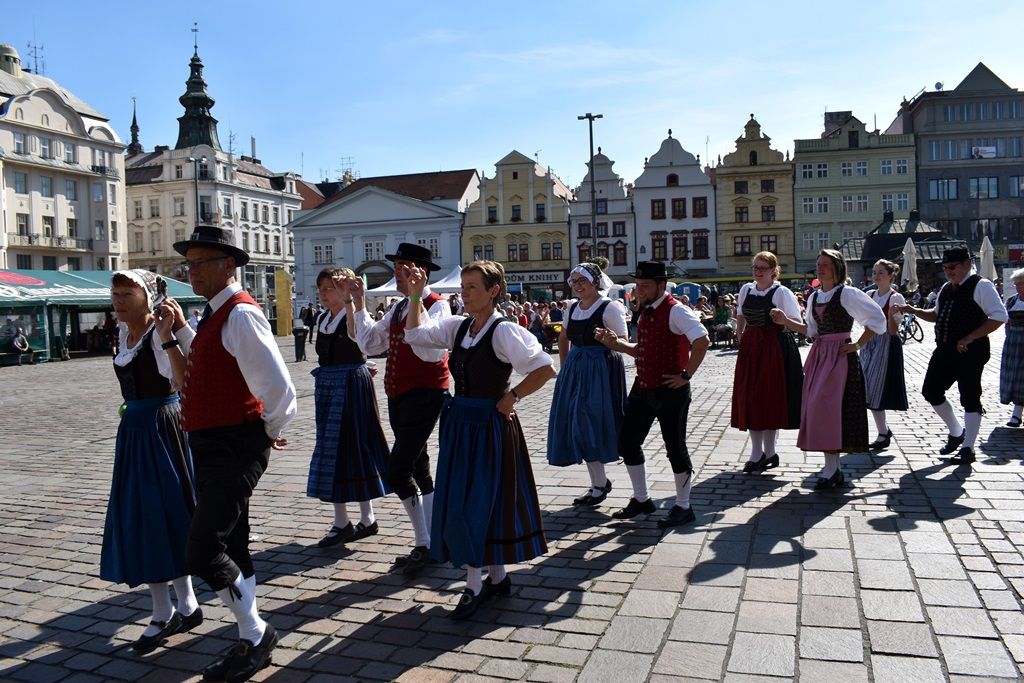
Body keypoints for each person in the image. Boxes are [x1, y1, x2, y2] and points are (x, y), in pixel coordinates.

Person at [172, 225, 297, 681]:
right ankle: (249, 638)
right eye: (190, 263)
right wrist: (178, 331)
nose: (193, 271)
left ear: (229, 266)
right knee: (234, 541)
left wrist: (268, 432)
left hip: (235, 443)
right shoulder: (213, 314)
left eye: (201, 262)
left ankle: (256, 630)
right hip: (213, 441)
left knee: (203, 549)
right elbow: (209, 360)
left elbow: (279, 387)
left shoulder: (240, 314)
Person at [404, 260, 555, 619]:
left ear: (493, 292)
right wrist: (413, 297)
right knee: (465, 500)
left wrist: (513, 396)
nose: (465, 293)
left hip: (489, 426)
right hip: (462, 426)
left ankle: (474, 585)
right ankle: (497, 577)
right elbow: (415, 336)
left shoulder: (504, 331)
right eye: (463, 286)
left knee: (478, 503)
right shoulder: (460, 327)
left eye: (472, 287)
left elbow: (545, 367)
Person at [100, 270, 202, 654]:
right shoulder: (122, 335)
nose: (118, 299)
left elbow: (181, 380)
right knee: (145, 514)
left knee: (164, 512)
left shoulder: (159, 335)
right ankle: (180, 605)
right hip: (136, 429)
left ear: (147, 296)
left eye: (127, 293)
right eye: (115, 293)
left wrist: (170, 335)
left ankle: (169, 611)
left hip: (162, 427)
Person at [350, 242, 451, 576]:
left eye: (404, 268)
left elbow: (430, 352)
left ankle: (424, 542)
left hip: (425, 394)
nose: (397, 273)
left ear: (420, 273)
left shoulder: (438, 307)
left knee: (397, 470)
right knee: (419, 467)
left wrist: (418, 299)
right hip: (399, 394)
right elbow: (370, 343)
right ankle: (436, 537)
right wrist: (360, 303)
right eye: (396, 268)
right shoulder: (397, 308)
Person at [595, 261, 710, 527]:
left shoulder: (676, 311)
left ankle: (683, 506)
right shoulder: (646, 311)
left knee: (675, 448)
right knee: (627, 442)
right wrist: (616, 344)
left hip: (671, 391)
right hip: (643, 388)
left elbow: (702, 341)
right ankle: (642, 499)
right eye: (638, 285)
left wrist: (685, 376)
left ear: (661, 285)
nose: (640, 290)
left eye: (645, 285)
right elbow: (644, 349)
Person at [771, 249, 886, 489]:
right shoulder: (814, 297)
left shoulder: (847, 293)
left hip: (840, 358)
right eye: (819, 264)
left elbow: (877, 319)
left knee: (831, 408)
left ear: (837, 268)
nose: (820, 268)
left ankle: (833, 469)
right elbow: (811, 332)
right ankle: (831, 467)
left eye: (825, 264)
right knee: (817, 409)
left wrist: (857, 344)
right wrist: (785, 321)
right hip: (820, 356)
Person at [894, 247, 1007, 463]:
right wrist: (914, 310)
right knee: (931, 391)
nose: (948, 271)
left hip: (971, 351)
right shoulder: (946, 288)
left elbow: (999, 316)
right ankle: (956, 431)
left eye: (952, 267)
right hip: (945, 349)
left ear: (966, 264)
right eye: (945, 268)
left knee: (970, 396)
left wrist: (970, 337)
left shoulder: (981, 285)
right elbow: (937, 315)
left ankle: (968, 448)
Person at [308, 268, 390, 547]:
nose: (323, 293)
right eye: (321, 288)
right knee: (333, 451)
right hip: (329, 387)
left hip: (351, 388)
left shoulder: (350, 312)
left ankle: (363, 518)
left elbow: (358, 339)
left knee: (353, 448)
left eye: (328, 288)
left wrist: (350, 301)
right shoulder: (321, 318)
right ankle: (345, 520)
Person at [547, 263, 627, 506]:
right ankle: (598, 484)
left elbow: (623, 340)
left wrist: (608, 340)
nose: (577, 285)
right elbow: (563, 337)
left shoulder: (609, 307)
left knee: (590, 423)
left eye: (582, 280)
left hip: (600, 369)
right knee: (576, 424)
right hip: (576, 367)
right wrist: (564, 368)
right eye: (574, 281)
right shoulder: (572, 308)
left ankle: (600, 485)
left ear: (595, 282)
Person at [731, 252, 804, 473]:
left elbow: (797, 323)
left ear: (774, 270)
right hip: (752, 346)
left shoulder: (781, 292)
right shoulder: (746, 289)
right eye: (755, 267)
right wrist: (740, 334)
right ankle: (758, 452)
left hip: (774, 346)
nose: (758, 271)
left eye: (763, 268)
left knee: (769, 398)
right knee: (751, 398)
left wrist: (782, 318)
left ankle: (769, 451)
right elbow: (741, 314)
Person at [859, 260, 909, 450]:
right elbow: (864, 320)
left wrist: (890, 317)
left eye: (880, 272)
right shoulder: (869, 294)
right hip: (869, 342)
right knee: (866, 387)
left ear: (890, 275)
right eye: (874, 272)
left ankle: (882, 433)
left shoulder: (896, 298)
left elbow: (893, 330)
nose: (876, 276)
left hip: (886, 343)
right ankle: (883, 431)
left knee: (875, 388)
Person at [1000, 268, 1024, 427]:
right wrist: (1009, 337)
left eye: (1021, 284)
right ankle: (1016, 414)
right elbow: (1006, 322)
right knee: (1015, 378)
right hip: (1014, 343)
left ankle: (1017, 414)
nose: (1019, 287)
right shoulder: (1012, 301)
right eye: (1017, 284)